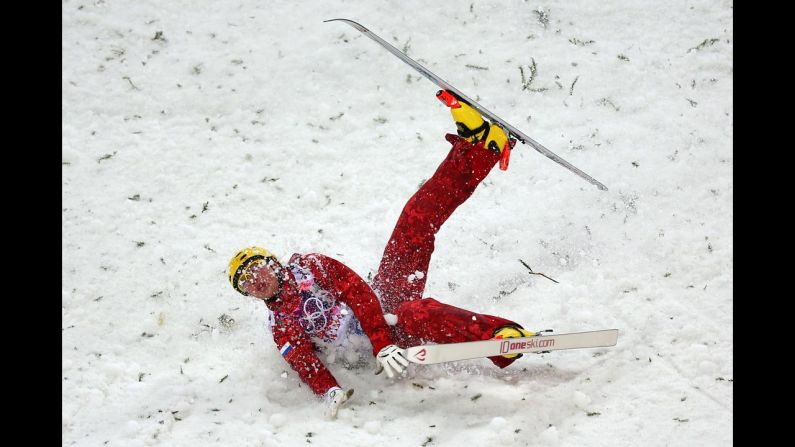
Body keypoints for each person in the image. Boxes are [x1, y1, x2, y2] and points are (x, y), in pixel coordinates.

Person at [227, 91, 534, 419]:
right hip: (380, 341)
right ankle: (500, 340)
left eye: (256, 268)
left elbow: (359, 294)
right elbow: (305, 363)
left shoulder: (310, 268)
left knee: (414, 221)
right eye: (245, 283)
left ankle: (479, 147)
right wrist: (331, 391)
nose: (255, 280)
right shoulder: (281, 325)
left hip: (379, 311)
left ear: (273, 263)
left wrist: (381, 341)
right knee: (416, 314)